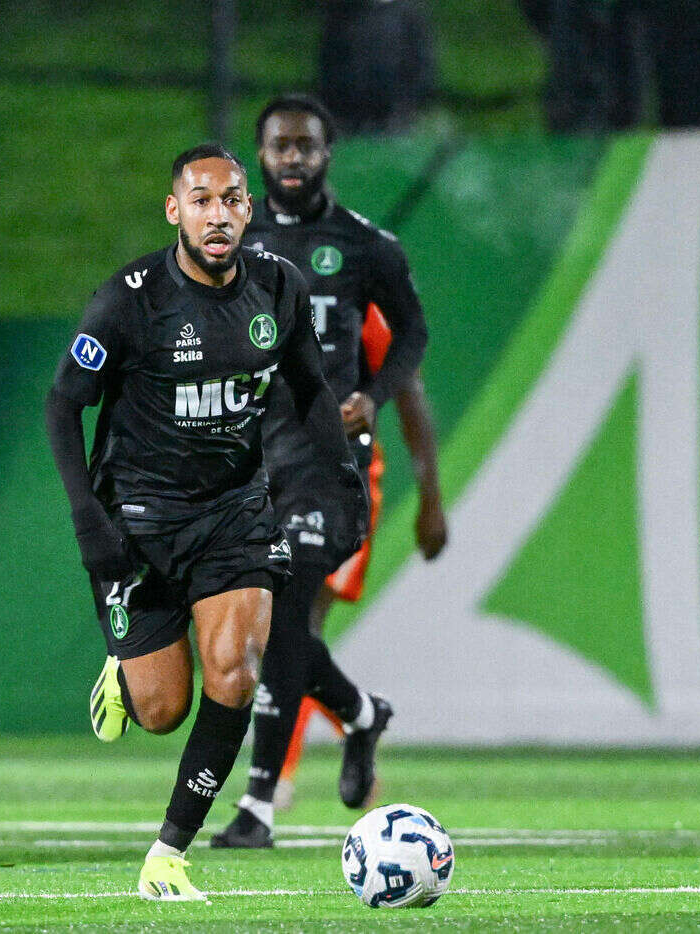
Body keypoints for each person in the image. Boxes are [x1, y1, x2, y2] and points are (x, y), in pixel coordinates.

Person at [46, 143, 366, 901]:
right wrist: (88, 520)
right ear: (174, 211)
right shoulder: (129, 299)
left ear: (247, 210)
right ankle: (127, 674)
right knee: (163, 711)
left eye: (230, 200)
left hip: (235, 515)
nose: (216, 215)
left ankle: (168, 853)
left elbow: (312, 391)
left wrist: (343, 478)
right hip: (140, 522)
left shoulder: (278, 289)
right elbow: (64, 406)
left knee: (237, 672)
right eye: (200, 200)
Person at [211, 94, 444, 849]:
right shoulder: (229, 246)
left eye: (306, 146)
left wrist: (369, 399)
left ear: (327, 153)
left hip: (328, 465)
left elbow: (412, 337)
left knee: (284, 617)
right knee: (254, 633)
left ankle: (257, 807)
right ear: (260, 156)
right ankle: (362, 713)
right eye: (279, 146)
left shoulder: (364, 245)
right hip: (249, 463)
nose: (293, 158)